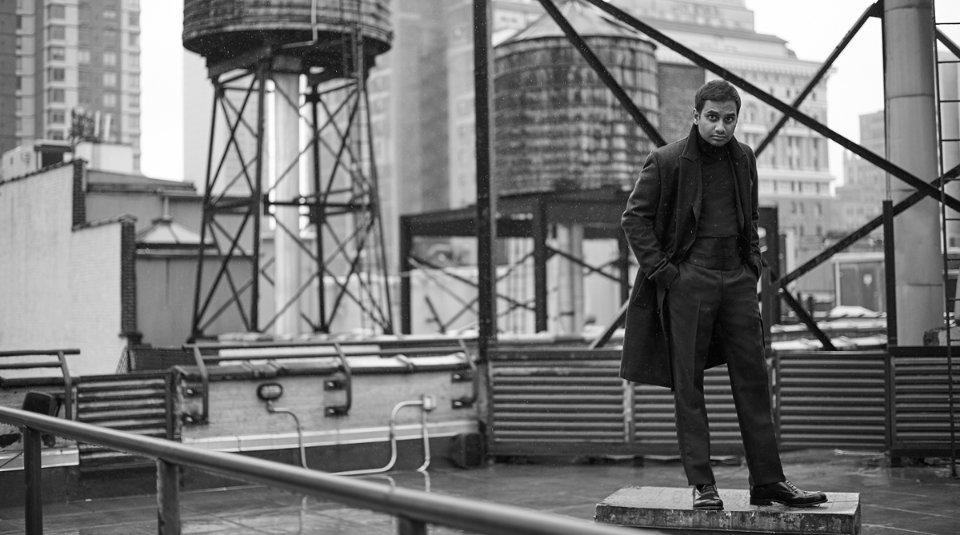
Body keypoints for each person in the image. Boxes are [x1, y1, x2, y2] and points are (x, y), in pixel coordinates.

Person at [619, 79, 827, 510]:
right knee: (688, 386)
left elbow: (749, 217)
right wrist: (668, 275)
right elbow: (634, 219)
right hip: (688, 280)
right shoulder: (666, 160)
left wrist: (751, 267)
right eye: (712, 118)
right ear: (696, 116)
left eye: (729, 119)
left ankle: (768, 481)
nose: (720, 127)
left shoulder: (744, 157)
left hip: (736, 281)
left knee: (753, 379)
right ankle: (703, 485)